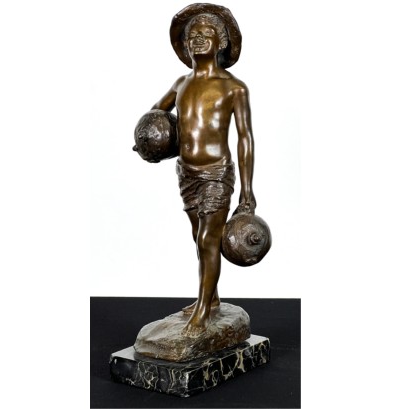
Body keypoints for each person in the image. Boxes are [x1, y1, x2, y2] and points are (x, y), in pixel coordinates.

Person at [152, 4, 256, 336]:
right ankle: (212, 299)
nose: (198, 38)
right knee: (198, 239)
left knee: (208, 239)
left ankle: (201, 310)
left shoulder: (233, 87)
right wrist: (151, 140)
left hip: (216, 173)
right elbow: (156, 115)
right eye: (192, 35)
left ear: (221, 41)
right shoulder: (180, 83)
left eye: (206, 33)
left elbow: (245, 138)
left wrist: (247, 191)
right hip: (186, 173)